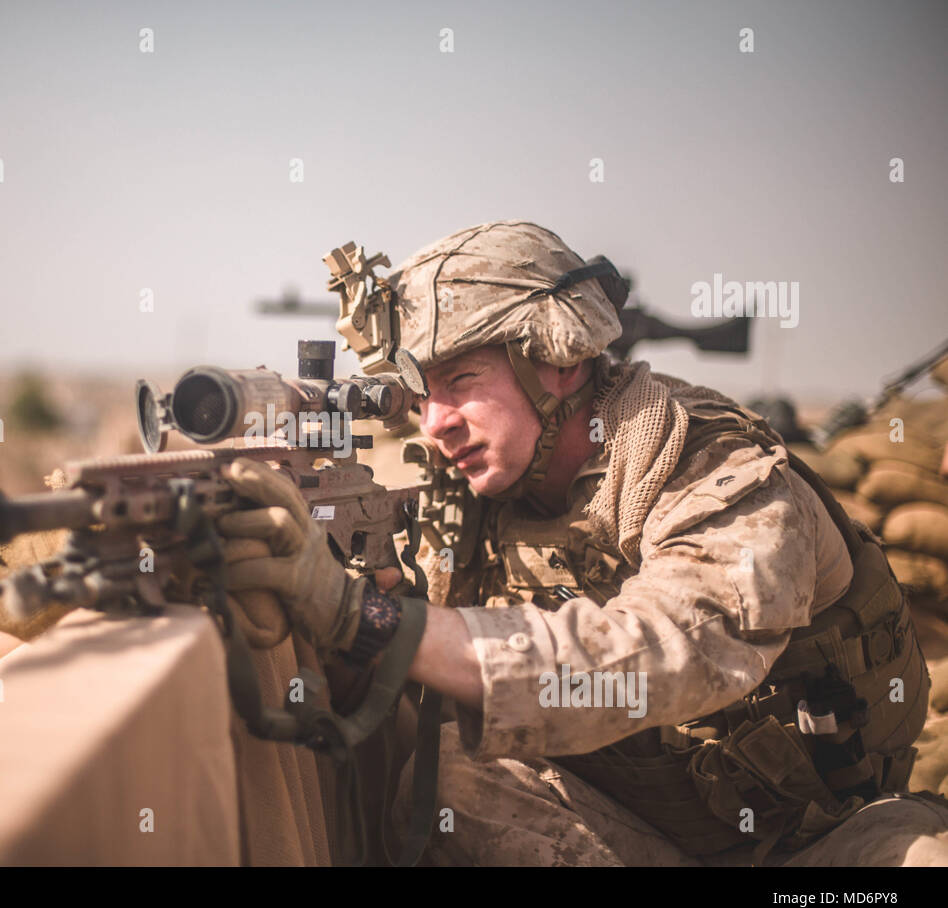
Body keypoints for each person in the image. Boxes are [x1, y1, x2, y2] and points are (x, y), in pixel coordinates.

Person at [213, 220, 948, 866]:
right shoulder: (474, 499)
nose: (434, 422)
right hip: (633, 833)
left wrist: (371, 620)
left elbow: (663, 651)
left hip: (816, 843)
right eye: (421, 393)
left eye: (461, 379)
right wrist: (361, 617)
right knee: (456, 785)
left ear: (558, 363)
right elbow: (436, 682)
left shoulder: (717, 469)